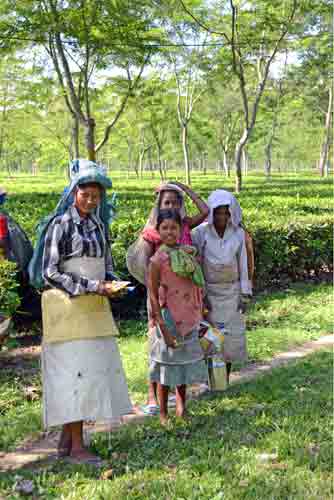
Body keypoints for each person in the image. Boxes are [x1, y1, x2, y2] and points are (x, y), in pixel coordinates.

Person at [40, 160, 132, 464]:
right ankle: (78, 447)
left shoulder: (97, 225)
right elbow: (49, 272)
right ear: (74, 192)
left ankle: (68, 442)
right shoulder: (61, 224)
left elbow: (105, 263)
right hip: (69, 309)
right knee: (73, 375)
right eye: (86, 195)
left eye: (96, 196)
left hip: (94, 308)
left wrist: (111, 283)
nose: (91, 201)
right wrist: (92, 285)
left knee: (90, 373)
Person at [126, 181, 208, 415]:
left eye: (175, 201)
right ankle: (156, 401)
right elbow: (150, 274)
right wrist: (157, 311)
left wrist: (184, 188)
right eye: (166, 201)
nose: (171, 204)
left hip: (186, 302)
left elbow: (205, 211)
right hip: (163, 303)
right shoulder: (153, 235)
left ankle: (181, 403)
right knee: (160, 350)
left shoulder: (183, 225)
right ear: (158, 204)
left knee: (182, 350)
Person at [147, 209, 207, 425]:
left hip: (188, 315)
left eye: (174, 227)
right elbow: (153, 294)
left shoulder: (188, 253)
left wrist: (201, 308)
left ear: (181, 230)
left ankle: (182, 408)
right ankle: (163, 414)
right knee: (166, 366)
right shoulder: (157, 260)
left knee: (181, 365)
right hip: (169, 317)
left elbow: (196, 285)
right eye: (165, 228)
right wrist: (161, 324)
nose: (170, 232)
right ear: (158, 231)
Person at [191, 190, 253, 385]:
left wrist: (245, 293)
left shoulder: (238, 233)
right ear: (211, 213)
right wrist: (202, 294)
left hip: (232, 292)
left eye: (226, 213)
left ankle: (223, 380)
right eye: (218, 212)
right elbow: (196, 265)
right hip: (210, 292)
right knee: (211, 338)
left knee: (230, 340)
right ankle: (211, 381)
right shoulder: (200, 233)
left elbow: (243, 263)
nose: (222, 217)